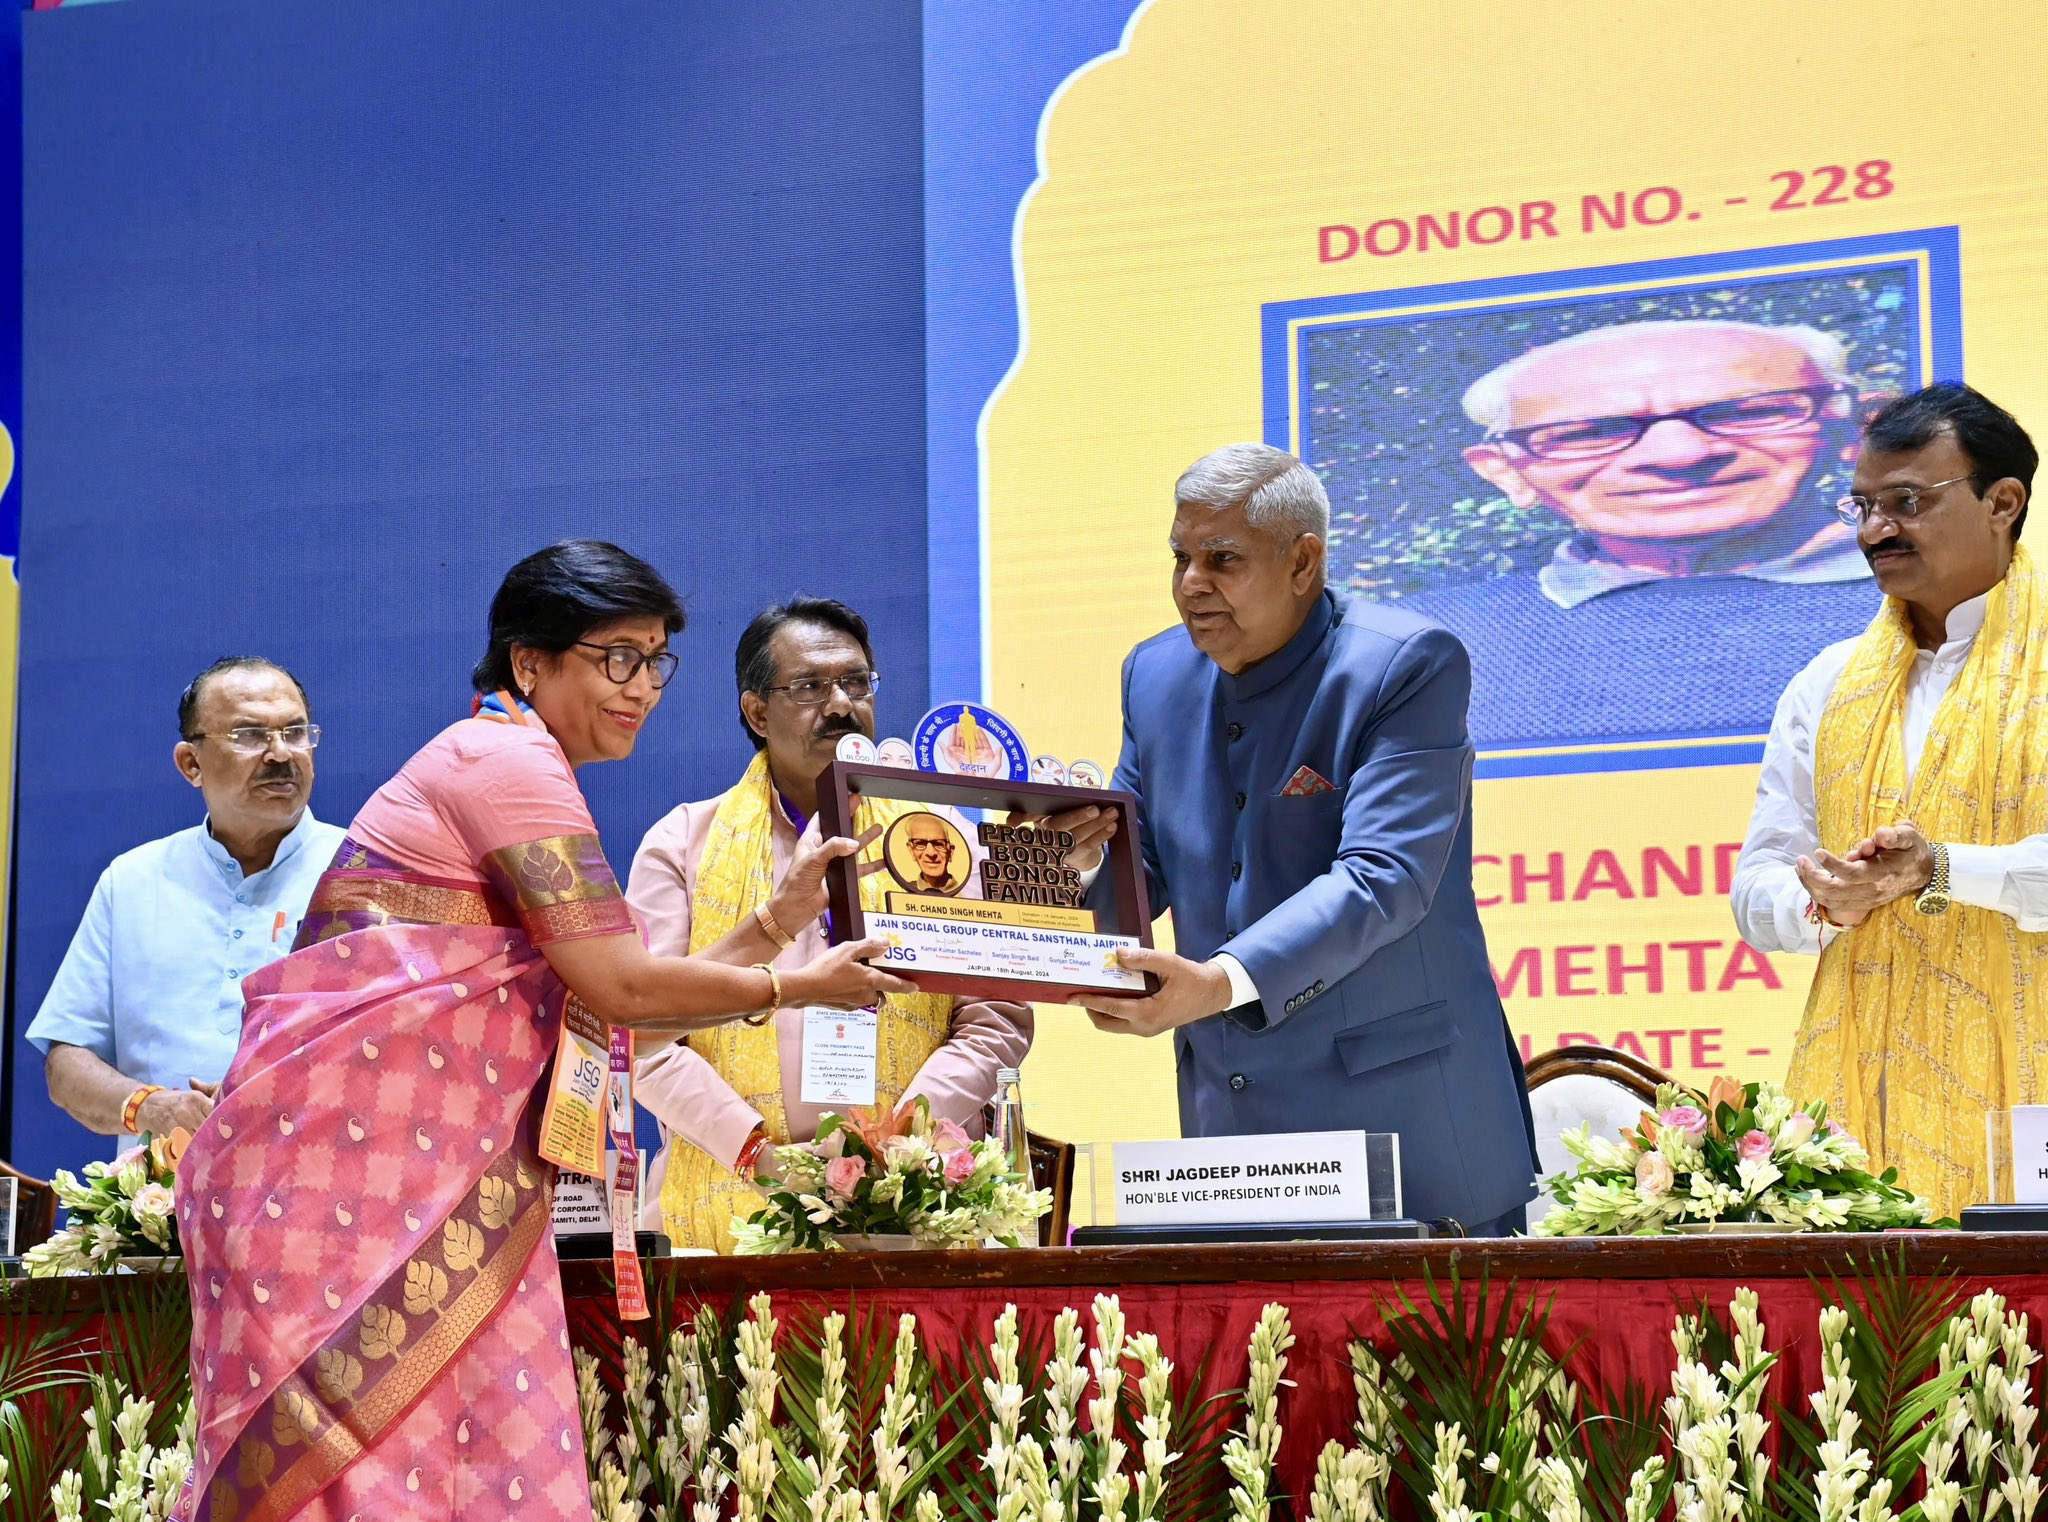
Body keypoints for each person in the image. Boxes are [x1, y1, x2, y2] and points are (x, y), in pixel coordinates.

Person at [172, 544, 908, 1519]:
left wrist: (772, 926)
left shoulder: (511, 757)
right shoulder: (506, 762)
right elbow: (624, 985)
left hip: (432, 1200)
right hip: (346, 1201)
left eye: (654, 661)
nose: (642, 686)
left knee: (475, 1470)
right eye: (616, 658)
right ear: (530, 663)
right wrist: (790, 977)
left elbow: (609, 1012)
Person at [1069, 443, 1538, 1234]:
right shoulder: (1152, 674)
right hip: (1231, 1143)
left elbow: (1385, 878)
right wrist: (1083, 862)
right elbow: (1143, 872)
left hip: (1410, 1135)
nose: (1190, 584)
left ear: (1303, 561)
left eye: (1222, 559)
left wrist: (1215, 985)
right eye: (1180, 556)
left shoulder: (1405, 666)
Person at [629, 596, 1032, 1252]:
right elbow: (642, 1034)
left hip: (918, 1195)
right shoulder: (681, 843)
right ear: (757, 711)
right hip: (731, 1196)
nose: (842, 703)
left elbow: (994, 1023)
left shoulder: (944, 838)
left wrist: (898, 1145)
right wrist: (758, 1154)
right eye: (810, 686)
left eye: (857, 682)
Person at [1730, 382, 2044, 1218]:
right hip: (1863, 1107)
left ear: (2002, 501)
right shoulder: (1828, 683)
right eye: (1863, 505)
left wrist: (1937, 869)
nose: (1875, 531)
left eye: (1908, 502)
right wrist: (1823, 900)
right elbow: (1758, 882)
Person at [1396, 318, 1880, 745]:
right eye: (1589, 433)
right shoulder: (1419, 644)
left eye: (1748, 413)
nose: (1679, 455)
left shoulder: (1942, 603)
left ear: (1852, 435)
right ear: (1507, 473)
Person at [26, 657, 343, 1160]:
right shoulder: (132, 881)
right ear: (190, 764)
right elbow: (67, 1061)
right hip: (160, 1205)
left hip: (327, 1200)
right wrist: (151, 1108)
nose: (281, 753)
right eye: (249, 734)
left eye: (296, 732)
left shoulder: (361, 875)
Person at [897, 811, 968, 894]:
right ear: (911, 850)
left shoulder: (970, 894)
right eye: (920, 843)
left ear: (950, 851)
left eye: (938, 844)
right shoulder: (900, 893)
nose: (931, 853)